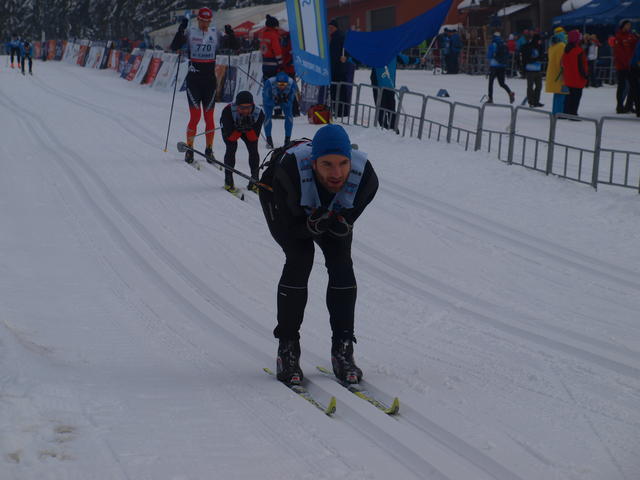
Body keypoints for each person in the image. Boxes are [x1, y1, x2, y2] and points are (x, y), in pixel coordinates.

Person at [258, 124, 378, 385]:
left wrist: (340, 222)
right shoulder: (290, 172)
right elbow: (293, 228)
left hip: (325, 209)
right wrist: (310, 226)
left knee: (341, 262)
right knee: (300, 257)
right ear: (313, 163)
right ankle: (287, 348)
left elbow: (347, 218)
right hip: (278, 197)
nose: (337, 173)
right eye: (327, 164)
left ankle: (343, 349)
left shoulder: (366, 178)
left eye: (343, 163)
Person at [170, 7, 219, 165]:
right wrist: (181, 29)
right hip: (194, 81)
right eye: (202, 21)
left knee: (209, 117)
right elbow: (174, 46)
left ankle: (209, 149)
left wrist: (231, 36)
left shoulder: (215, 33)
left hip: (209, 82)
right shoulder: (190, 33)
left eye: (207, 21)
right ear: (198, 20)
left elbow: (234, 45)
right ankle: (190, 149)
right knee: (195, 116)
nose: (205, 24)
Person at [220, 91, 265, 194]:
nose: (245, 111)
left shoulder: (259, 113)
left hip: (248, 130)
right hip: (232, 129)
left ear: (253, 105)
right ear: (237, 106)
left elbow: (253, 139)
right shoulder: (228, 111)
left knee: (253, 150)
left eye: (248, 108)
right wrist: (238, 128)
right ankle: (228, 180)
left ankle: (254, 180)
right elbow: (231, 138)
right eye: (242, 108)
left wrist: (248, 128)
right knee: (231, 148)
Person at [262, 71, 298, 149]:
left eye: (284, 84)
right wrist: (274, 101)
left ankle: (287, 139)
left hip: (284, 100)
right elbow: (266, 100)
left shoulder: (292, 84)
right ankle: (269, 139)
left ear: (287, 83)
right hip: (271, 98)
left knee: (289, 117)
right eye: (279, 84)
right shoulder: (269, 83)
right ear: (276, 82)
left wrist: (285, 101)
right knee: (267, 116)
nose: (282, 86)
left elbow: (291, 101)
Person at [613, 20, 639, 113]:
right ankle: (619, 106)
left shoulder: (630, 36)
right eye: (627, 25)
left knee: (633, 86)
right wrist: (626, 63)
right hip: (622, 66)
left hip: (631, 66)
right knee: (622, 86)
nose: (628, 27)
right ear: (623, 26)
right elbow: (618, 53)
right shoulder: (619, 36)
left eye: (630, 25)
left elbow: (635, 46)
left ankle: (629, 105)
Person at [562, 30, 588, 117]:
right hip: (577, 78)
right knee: (576, 97)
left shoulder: (566, 50)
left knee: (568, 97)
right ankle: (573, 113)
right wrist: (585, 76)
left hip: (568, 78)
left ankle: (566, 112)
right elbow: (581, 65)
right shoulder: (578, 51)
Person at [328, 19, 350, 117]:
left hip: (339, 68)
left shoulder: (341, 36)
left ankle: (342, 111)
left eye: (331, 27)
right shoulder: (332, 37)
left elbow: (347, 49)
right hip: (334, 68)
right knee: (335, 90)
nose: (330, 29)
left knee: (340, 90)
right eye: (329, 28)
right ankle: (337, 110)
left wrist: (346, 57)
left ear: (336, 27)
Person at [486, 32, 515, 104]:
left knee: (491, 83)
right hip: (502, 66)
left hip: (494, 66)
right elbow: (507, 54)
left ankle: (490, 98)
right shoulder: (504, 44)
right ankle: (510, 92)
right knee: (502, 83)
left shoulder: (493, 44)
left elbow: (489, 56)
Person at [545, 28, 568, 115]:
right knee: (562, 93)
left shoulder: (552, 46)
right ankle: (560, 112)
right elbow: (563, 60)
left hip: (553, 73)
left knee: (557, 94)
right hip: (560, 73)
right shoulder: (562, 46)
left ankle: (555, 111)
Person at [521, 34, 544, 107]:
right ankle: (531, 101)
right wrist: (536, 59)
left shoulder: (540, 47)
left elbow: (541, 56)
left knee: (539, 86)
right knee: (530, 86)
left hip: (538, 69)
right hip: (530, 70)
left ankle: (536, 101)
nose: (540, 41)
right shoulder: (528, 47)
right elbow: (526, 58)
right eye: (539, 40)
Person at [259, 15, 282, 80]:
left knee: (268, 82)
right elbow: (277, 51)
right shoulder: (273, 35)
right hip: (273, 65)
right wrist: (281, 64)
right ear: (274, 26)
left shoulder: (262, 35)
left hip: (265, 64)